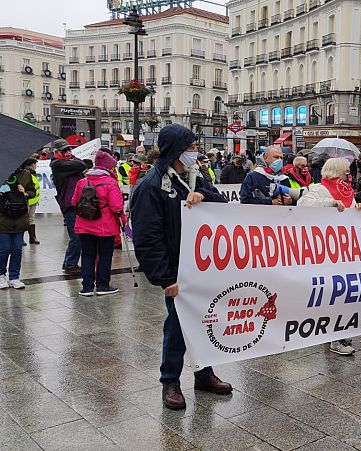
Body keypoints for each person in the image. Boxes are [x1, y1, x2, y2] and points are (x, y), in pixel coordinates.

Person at [130, 124, 232, 410]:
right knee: (177, 326)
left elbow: (221, 203)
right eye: (191, 147)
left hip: (202, 267)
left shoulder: (195, 177)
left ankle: (204, 374)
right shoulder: (151, 186)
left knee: (206, 321)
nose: (195, 152)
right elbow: (147, 238)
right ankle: (170, 382)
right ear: (176, 150)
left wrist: (204, 197)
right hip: (177, 271)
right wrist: (165, 279)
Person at [297, 158, 361, 355]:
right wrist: (330, 203)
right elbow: (302, 203)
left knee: (344, 294)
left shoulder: (347, 191)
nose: (349, 174)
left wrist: (357, 209)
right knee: (334, 295)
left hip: (345, 251)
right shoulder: (320, 189)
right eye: (346, 171)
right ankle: (335, 338)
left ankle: (338, 334)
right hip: (327, 251)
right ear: (336, 171)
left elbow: (349, 214)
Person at [72, 151, 125, 297]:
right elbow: (117, 207)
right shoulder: (111, 183)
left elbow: (74, 202)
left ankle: (87, 287)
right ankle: (102, 285)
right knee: (104, 256)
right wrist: (123, 222)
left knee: (87, 254)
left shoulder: (82, 182)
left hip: (84, 225)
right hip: (105, 227)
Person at [50, 139, 86, 275]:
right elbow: (81, 164)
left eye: (68, 150)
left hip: (75, 202)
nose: (67, 153)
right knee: (76, 236)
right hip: (69, 204)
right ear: (56, 152)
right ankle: (70, 264)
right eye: (64, 151)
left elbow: (81, 164)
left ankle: (68, 262)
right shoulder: (57, 164)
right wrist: (73, 160)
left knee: (77, 235)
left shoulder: (65, 163)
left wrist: (72, 159)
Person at [0, 163, 35, 289]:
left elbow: (32, 191)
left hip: (20, 216)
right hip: (3, 217)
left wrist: (25, 193)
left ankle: (14, 277)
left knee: (17, 250)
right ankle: (1, 275)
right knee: (4, 249)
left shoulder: (26, 174)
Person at [23, 158, 41, 245]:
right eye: (35, 164)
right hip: (26, 200)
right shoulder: (26, 173)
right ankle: (21, 238)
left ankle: (32, 237)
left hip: (33, 200)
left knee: (31, 219)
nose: (36, 166)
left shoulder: (32, 173)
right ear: (32, 164)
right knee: (23, 219)